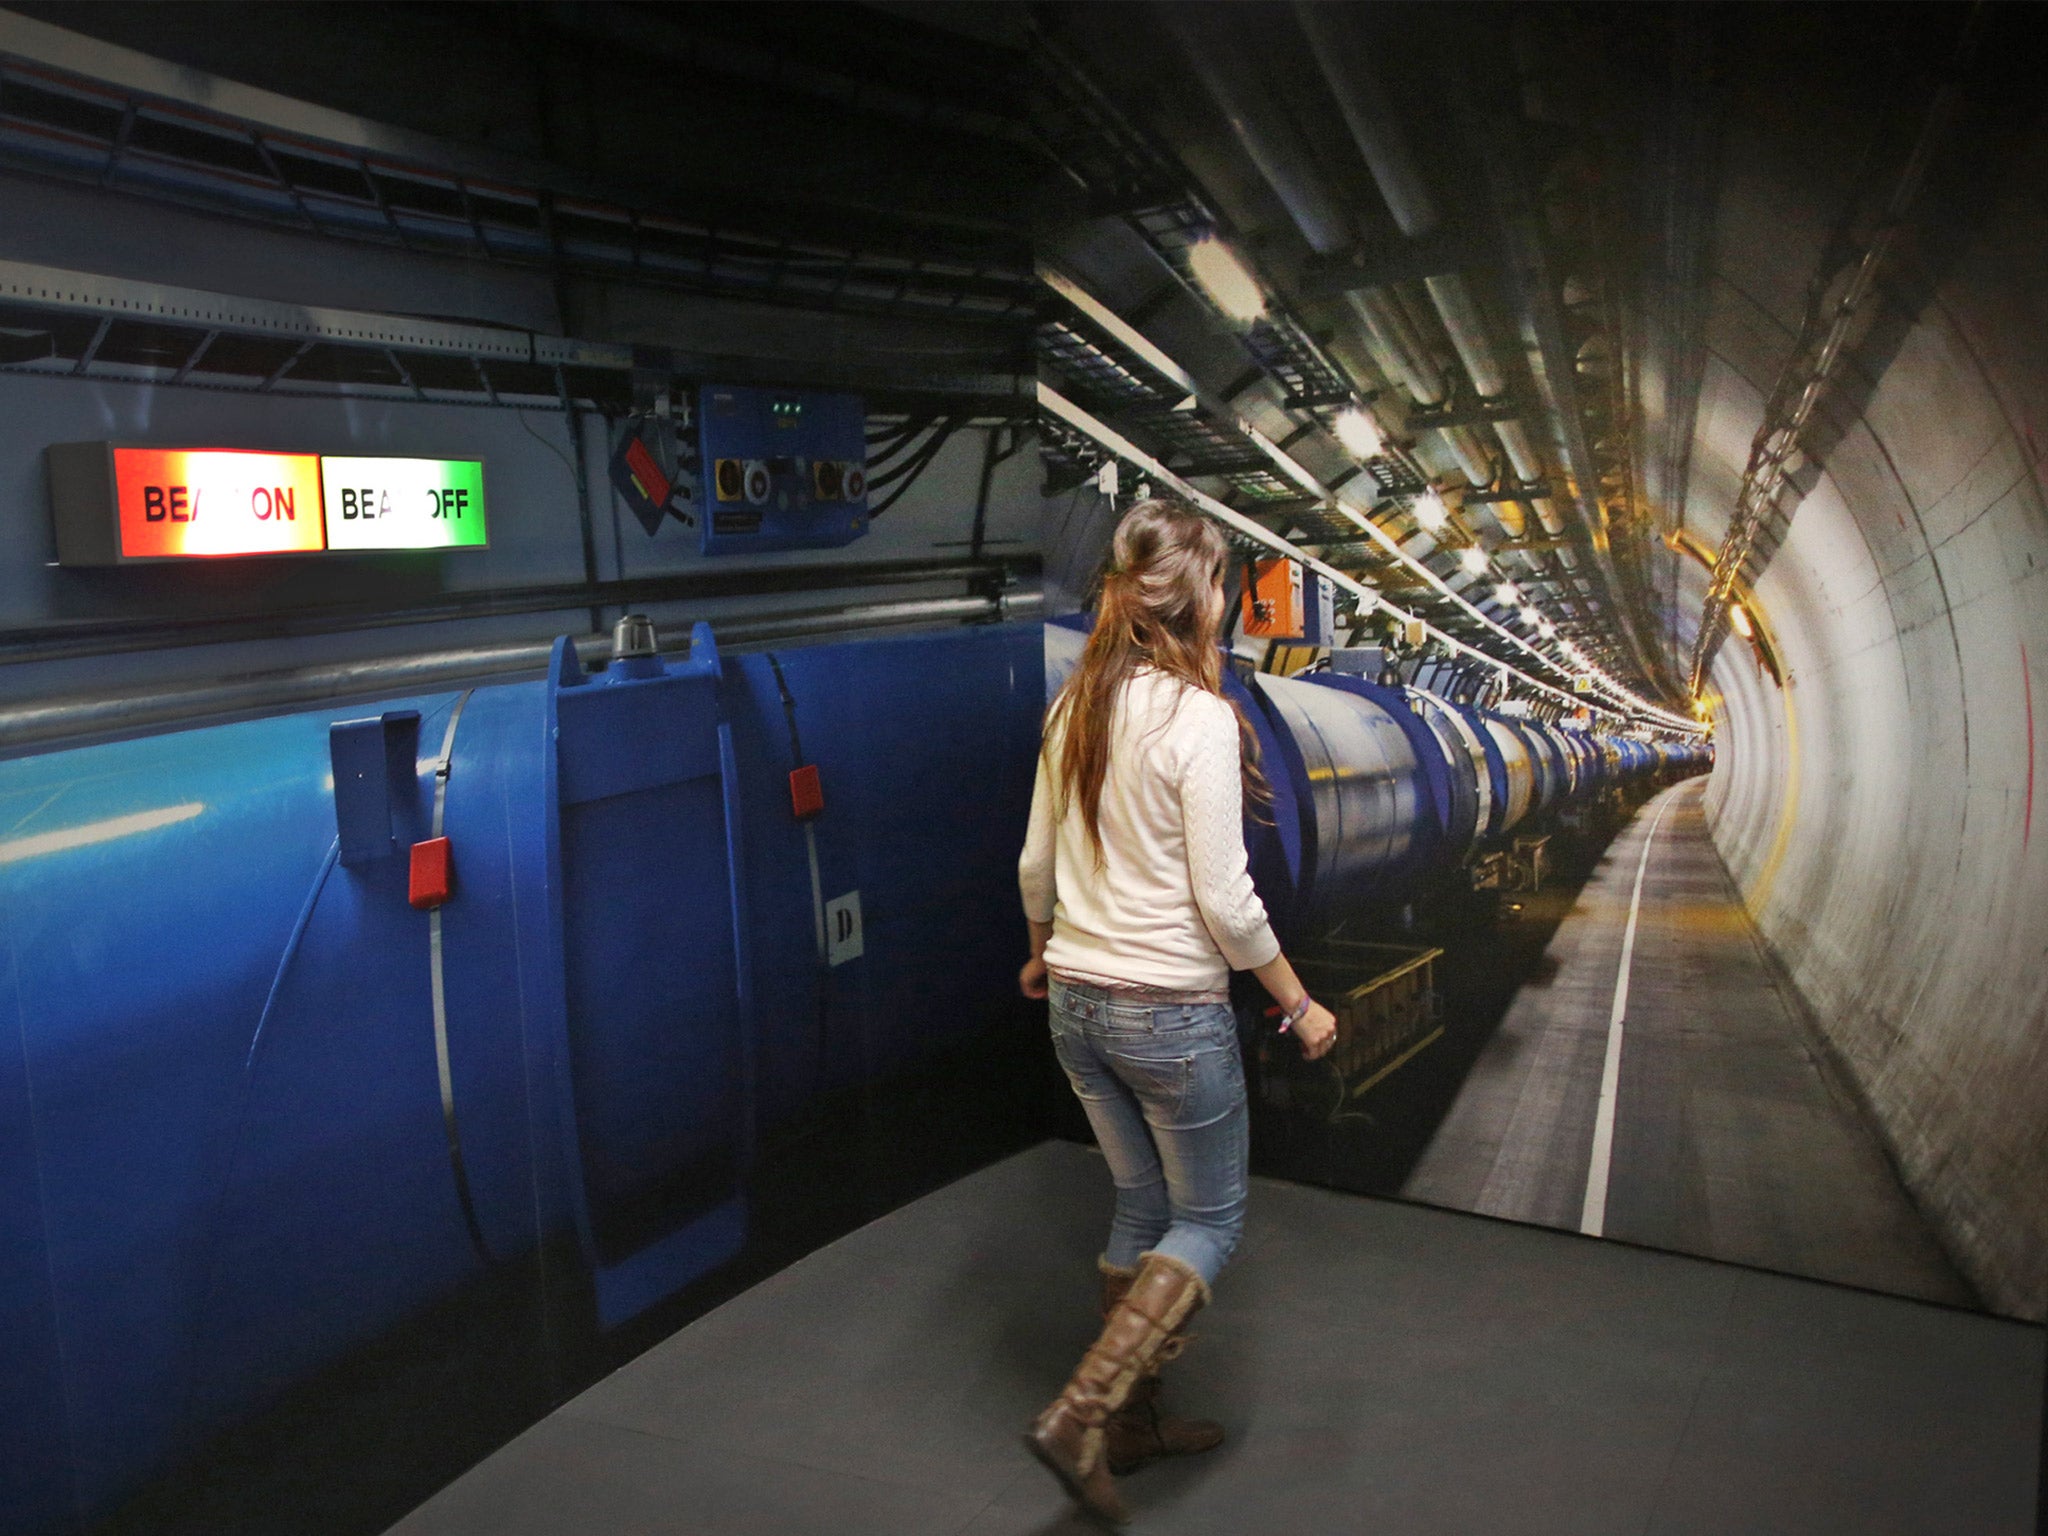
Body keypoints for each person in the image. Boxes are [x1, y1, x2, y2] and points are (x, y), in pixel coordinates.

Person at [1016, 496, 1337, 1524]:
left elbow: (1034, 864)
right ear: (1204, 598)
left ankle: (1135, 1426)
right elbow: (1226, 903)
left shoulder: (1072, 709)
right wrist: (1298, 1005)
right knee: (1208, 1217)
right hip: (1166, 1012)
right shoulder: (1198, 720)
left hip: (1074, 1002)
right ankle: (1081, 1412)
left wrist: (1038, 956)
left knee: (1140, 1211)